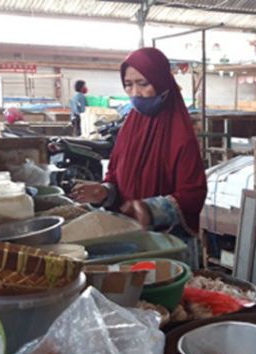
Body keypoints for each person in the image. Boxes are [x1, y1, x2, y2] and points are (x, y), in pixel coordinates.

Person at [71, 48, 207, 267]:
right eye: (128, 84)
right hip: (128, 244)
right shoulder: (130, 128)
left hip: (168, 249)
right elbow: (117, 176)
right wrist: (104, 191)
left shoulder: (180, 135)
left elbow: (193, 194)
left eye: (143, 84)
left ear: (161, 81)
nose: (135, 92)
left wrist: (150, 209)